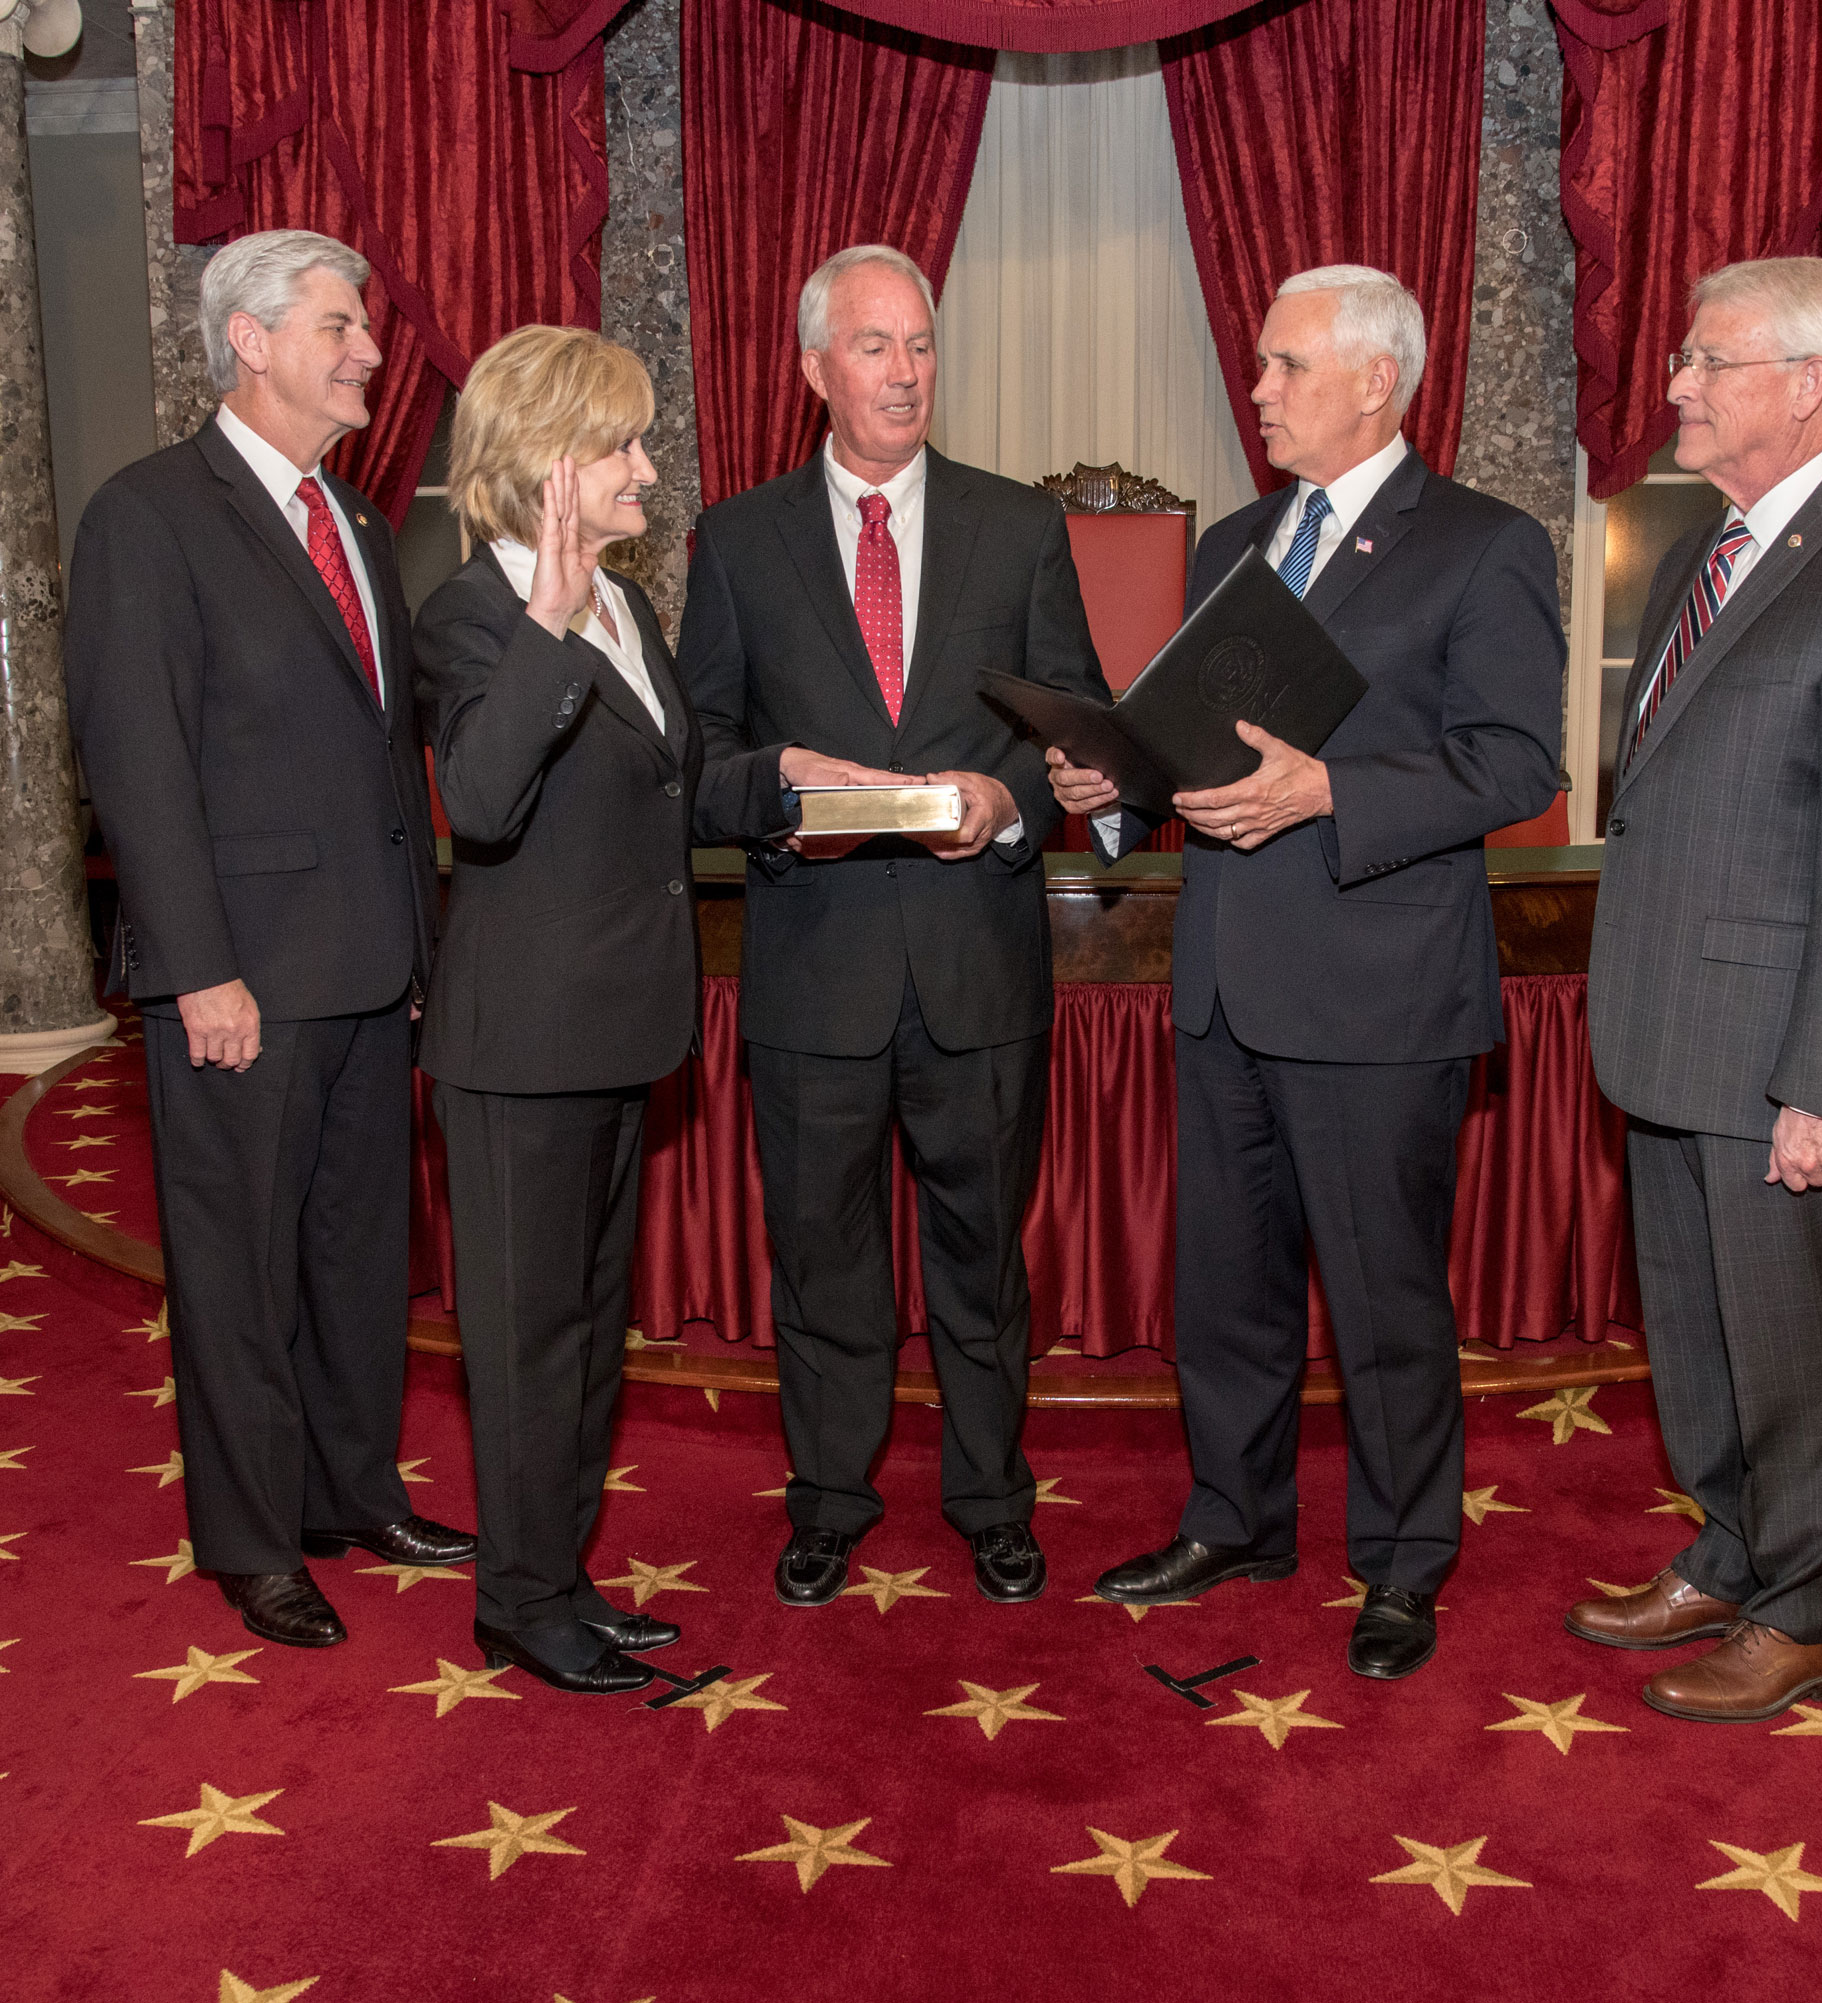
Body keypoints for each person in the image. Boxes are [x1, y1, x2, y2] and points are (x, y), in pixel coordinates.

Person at [1059, 265, 1563, 1680]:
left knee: (1384, 1297)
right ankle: (1238, 1519)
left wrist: (1334, 793)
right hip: (1224, 975)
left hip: (1378, 989)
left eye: (1285, 367)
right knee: (1226, 1287)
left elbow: (1520, 759)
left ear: (1376, 381)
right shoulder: (1237, 537)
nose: (1260, 390)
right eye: (1264, 366)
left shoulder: (1481, 543)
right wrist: (1108, 784)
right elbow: (1190, 745)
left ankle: (1404, 1564)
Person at [679, 244, 1114, 1609]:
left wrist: (1011, 800)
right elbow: (697, 755)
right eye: (875, 346)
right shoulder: (736, 542)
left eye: (921, 344)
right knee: (824, 1263)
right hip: (815, 977)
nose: (907, 370)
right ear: (814, 370)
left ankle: (992, 1499)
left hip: (979, 967)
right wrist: (785, 782)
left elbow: (1081, 730)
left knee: (983, 1260)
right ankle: (829, 1498)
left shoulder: (1018, 527)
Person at [1568, 256, 1822, 1722]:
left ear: (1804, 387)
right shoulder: (1704, 549)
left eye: (1704, 361)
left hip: (1776, 1060)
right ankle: (1732, 1551)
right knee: (1695, 1331)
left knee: (1793, 1344)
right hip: (1673, 1033)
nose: (1673, 384)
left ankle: (1805, 1611)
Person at [66, 229, 473, 1649]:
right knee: (237, 1266)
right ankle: (250, 1539)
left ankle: (349, 1494)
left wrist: (420, 951)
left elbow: (380, 761)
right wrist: (194, 968)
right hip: (240, 974)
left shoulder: (357, 523)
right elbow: (139, 764)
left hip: (370, 965)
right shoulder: (149, 515)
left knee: (361, 1257)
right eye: (339, 327)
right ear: (248, 339)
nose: (369, 352)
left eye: (361, 327)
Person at [411, 327, 784, 1693]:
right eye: (622, 445)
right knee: (522, 1343)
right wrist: (551, 623)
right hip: (519, 1046)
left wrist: (797, 778)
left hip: (620, 1031)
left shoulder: (630, 603)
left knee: (580, 1331)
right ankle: (517, 1604)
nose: (648, 465)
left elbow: (669, 789)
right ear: (548, 467)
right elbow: (488, 803)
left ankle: (559, 1576)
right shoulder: (470, 618)